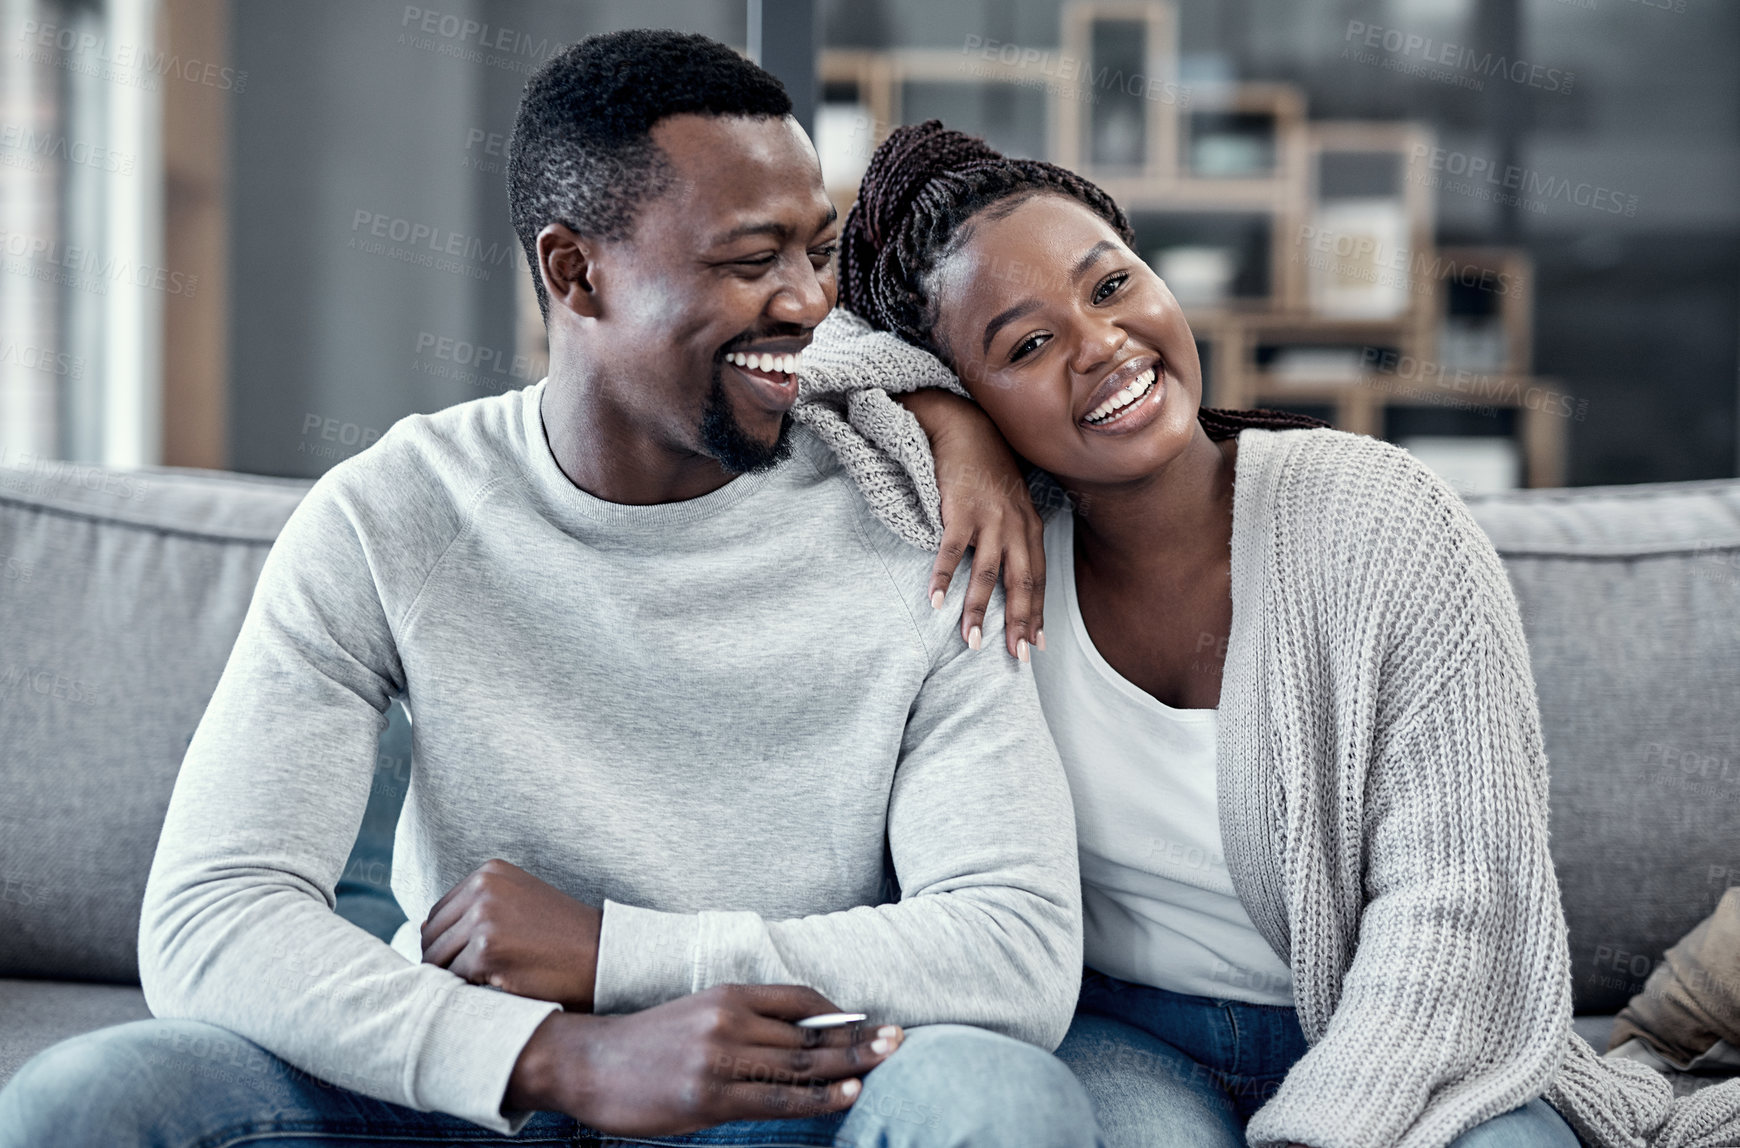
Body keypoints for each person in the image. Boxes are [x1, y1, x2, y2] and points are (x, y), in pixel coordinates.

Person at [0, 42, 1100, 1148]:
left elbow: (1016, 948)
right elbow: (212, 915)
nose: (810, 300)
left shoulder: (919, 513)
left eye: (816, 250)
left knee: (998, 1106)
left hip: (781, 1089)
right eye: (752, 257)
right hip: (484, 1087)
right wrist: (561, 1054)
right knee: (89, 1100)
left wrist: (618, 955)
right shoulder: (392, 512)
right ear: (575, 272)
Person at [792, 120, 1740, 1147]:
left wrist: (1319, 1132)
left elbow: (1460, 905)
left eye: (1111, 286)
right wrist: (947, 423)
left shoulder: (1383, 517)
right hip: (1126, 1037)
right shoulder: (987, 542)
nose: (1100, 342)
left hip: (1408, 1025)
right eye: (1026, 344)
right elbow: (789, 369)